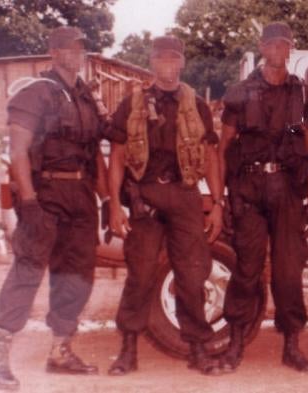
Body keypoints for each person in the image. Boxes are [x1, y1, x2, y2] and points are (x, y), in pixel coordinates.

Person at [0, 26, 109, 390]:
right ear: (53, 52)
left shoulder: (85, 98)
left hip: (81, 196)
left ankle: (60, 351)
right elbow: (19, 151)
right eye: (68, 48)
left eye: (81, 47)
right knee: (28, 271)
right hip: (46, 193)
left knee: (77, 276)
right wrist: (31, 202)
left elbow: (94, 154)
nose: (76, 53)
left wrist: (108, 199)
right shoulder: (36, 92)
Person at [106, 35, 224, 376]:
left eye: (174, 59)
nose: (168, 66)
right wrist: (115, 205)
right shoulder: (133, 104)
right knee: (140, 274)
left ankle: (198, 349)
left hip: (184, 195)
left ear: (182, 63)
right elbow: (116, 157)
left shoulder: (197, 104)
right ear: (152, 63)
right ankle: (128, 349)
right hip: (146, 198)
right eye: (161, 60)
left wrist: (216, 203)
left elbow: (212, 157)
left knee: (193, 274)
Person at [217, 22, 308, 373]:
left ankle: (291, 345)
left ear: (290, 48)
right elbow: (223, 148)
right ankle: (234, 344)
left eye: (284, 44)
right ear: (262, 47)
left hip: (289, 190)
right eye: (271, 44)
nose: (278, 50)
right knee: (246, 269)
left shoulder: (305, 94)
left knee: (289, 272)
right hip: (249, 189)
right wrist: (224, 200)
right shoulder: (240, 92)